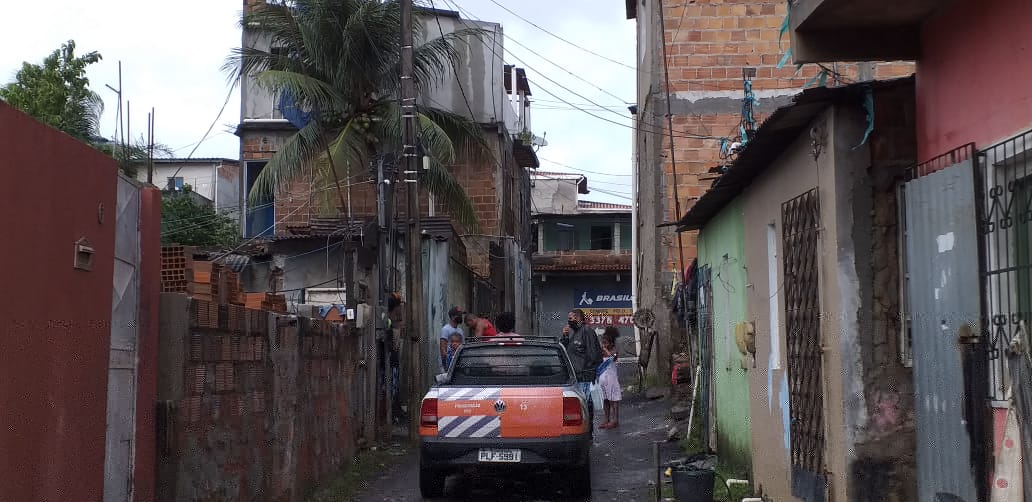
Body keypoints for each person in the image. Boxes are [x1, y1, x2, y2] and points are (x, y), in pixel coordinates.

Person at [561, 309, 603, 430]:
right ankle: (583, 430)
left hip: (585, 377)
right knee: (579, 407)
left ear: (578, 318)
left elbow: (594, 355)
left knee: (586, 406)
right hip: (576, 378)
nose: (569, 322)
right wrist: (565, 336)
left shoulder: (587, 331)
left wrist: (589, 372)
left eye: (571, 318)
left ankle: (588, 433)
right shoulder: (575, 333)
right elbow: (565, 350)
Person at [597, 327, 622, 429]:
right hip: (603, 380)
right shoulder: (601, 353)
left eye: (605, 343)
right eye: (602, 342)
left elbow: (613, 358)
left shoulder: (614, 351)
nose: (603, 345)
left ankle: (615, 420)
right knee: (605, 400)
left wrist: (605, 349)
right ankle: (606, 419)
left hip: (611, 379)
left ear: (611, 343)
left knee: (613, 400)